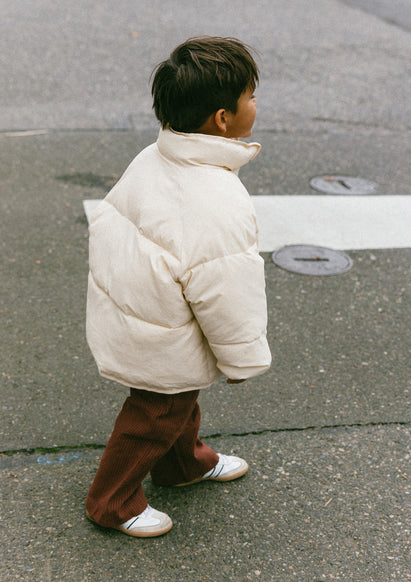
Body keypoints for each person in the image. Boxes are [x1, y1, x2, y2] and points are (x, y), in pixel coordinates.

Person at [85, 36, 271, 538]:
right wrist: (241, 358)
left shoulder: (158, 154)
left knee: (177, 400)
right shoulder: (215, 199)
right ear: (222, 119)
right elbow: (226, 289)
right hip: (162, 326)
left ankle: (183, 465)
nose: (257, 103)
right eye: (251, 96)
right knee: (156, 411)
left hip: (139, 308)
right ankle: (112, 500)